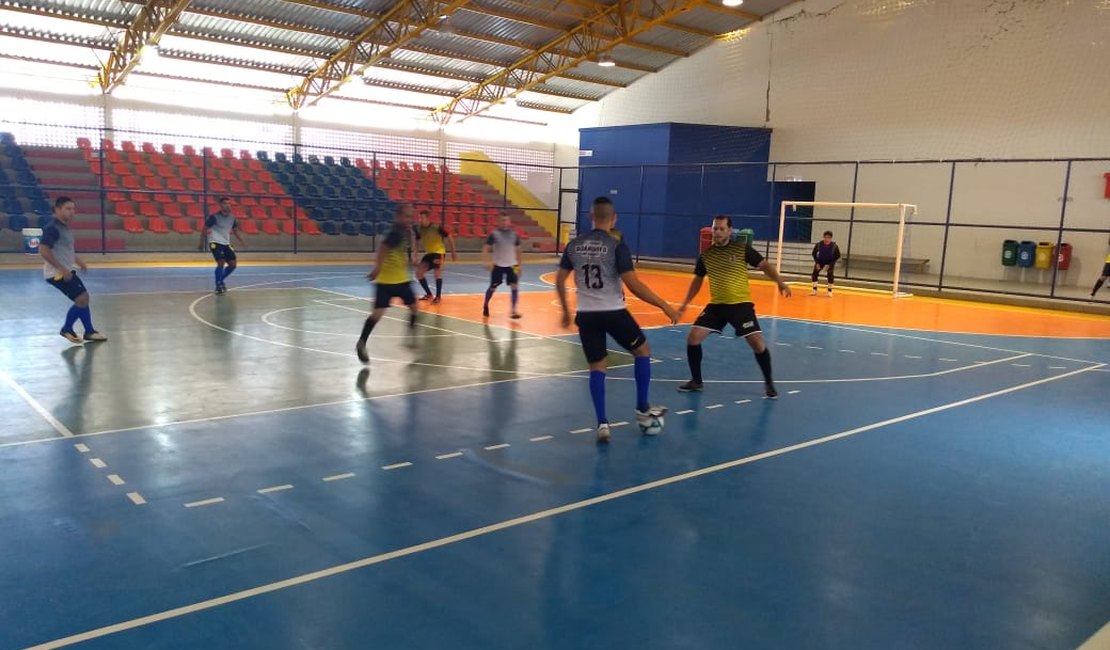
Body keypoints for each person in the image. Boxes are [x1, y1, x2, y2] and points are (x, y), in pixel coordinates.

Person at [556, 196, 678, 443]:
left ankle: (602, 423)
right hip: (613, 311)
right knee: (643, 350)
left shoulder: (574, 245)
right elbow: (633, 284)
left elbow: (559, 279)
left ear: (591, 217)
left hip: (586, 315)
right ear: (614, 219)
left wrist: (566, 311)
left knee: (597, 367)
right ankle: (642, 408)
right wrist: (664, 304)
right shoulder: (615, 245)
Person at [676, 215, 792, 399]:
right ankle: (696, 381)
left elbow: (764, 265)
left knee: (757, 343)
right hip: (717, 306)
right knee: (693, 338)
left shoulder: (741, 249)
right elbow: (697, 282)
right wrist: (684, 304)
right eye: (715, 229)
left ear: (730, 231)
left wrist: (780, 282)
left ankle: (769, 383)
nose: (718, 232)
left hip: (741, 305)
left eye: (722, 229)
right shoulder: (706, 256)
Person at [357, 203, 419, 363]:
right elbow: (383, 248)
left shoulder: (406, 231)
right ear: (398, 217)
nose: (410, 219)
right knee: (378, 315)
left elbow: (404, 248)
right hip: (388, 281)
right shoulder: (395, 232)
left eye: (412, 216)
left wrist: (411, 258)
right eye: (407, 216)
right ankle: (362, 342)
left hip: (399, 279)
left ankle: (363, 341)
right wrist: (377, 268)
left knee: (414, 307)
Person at [40, 196, 107, 344]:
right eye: (68, 209)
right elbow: (44, 250)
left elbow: (65, 250)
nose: (72, 212)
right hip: (57, 274)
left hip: (66, 271)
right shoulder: (52, 228)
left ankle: (89, 331)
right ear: (57, 210)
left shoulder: (64, 228)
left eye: (73, 209)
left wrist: (78, 261)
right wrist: (62, 269)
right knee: (82, 298)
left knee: (83, 298)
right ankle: (67, 328)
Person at [199, 197, 246, 295]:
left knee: (233, 264)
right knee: (221, 261)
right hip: (215, 242)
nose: (227, 205)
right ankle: (218, 286)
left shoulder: (232, 218)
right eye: (225, 203)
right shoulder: (214, 217)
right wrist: (201, 242)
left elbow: (235, 229)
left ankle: (220, 280)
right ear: (220, 205)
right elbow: (205, 228)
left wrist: (241, 240)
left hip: (226, 243)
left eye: (229, 203)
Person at [482, 214, 523, 319]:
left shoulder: (514, 235)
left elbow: (518, 251)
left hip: (512, 265)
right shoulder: (494, 234)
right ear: (498, 222)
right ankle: (486, 304)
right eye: (502, 220)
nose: (504, 222)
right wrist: (487, 262)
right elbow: (486, 248)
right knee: (493, 286)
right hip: (498, 265)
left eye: (506, 220)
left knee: (515, 285)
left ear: (509, 222)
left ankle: (513, 310)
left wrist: (519, 266)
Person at [414, 209, 457, 304]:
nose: (420, 220)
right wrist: (415, 255)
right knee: (419, 273)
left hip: (439, 252)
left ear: (428, 218)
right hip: (429, 253)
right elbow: (416, 242)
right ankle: (429, 294)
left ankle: (438, 297)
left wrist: (453, 252)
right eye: (419, 218)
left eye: (422, 218)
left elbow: (449, 236)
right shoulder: (419, 229)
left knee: (437, 273)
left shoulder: (436, 227)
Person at [811, 230, 842, 297]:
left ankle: (829, 291)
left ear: (831, 238)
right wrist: (817, 263)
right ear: (823, 237)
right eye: (825, 237)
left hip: (830, 262)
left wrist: (830, 264)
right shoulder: (818, 245)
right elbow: (813, 254)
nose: (826, 239)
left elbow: (837, 256)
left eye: (828, 238)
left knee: (830, 275)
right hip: (820, 261)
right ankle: (814, 289)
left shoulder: (834, 246)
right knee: (814, 274)